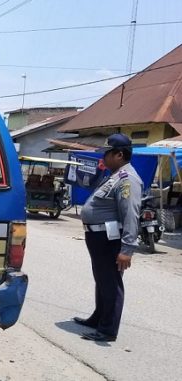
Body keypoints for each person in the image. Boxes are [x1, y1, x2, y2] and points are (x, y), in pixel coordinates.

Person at [74, 133, 142, 342]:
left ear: (119, 154)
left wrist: (127, 249)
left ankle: (107, 329)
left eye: (107, 153)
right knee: (102, 280)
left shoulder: (127, 179)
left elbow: (131, 214)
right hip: (98, 238)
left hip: (110, 239)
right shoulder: (114, 176)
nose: (103, 157)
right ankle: (98, 318)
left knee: (111, 282)